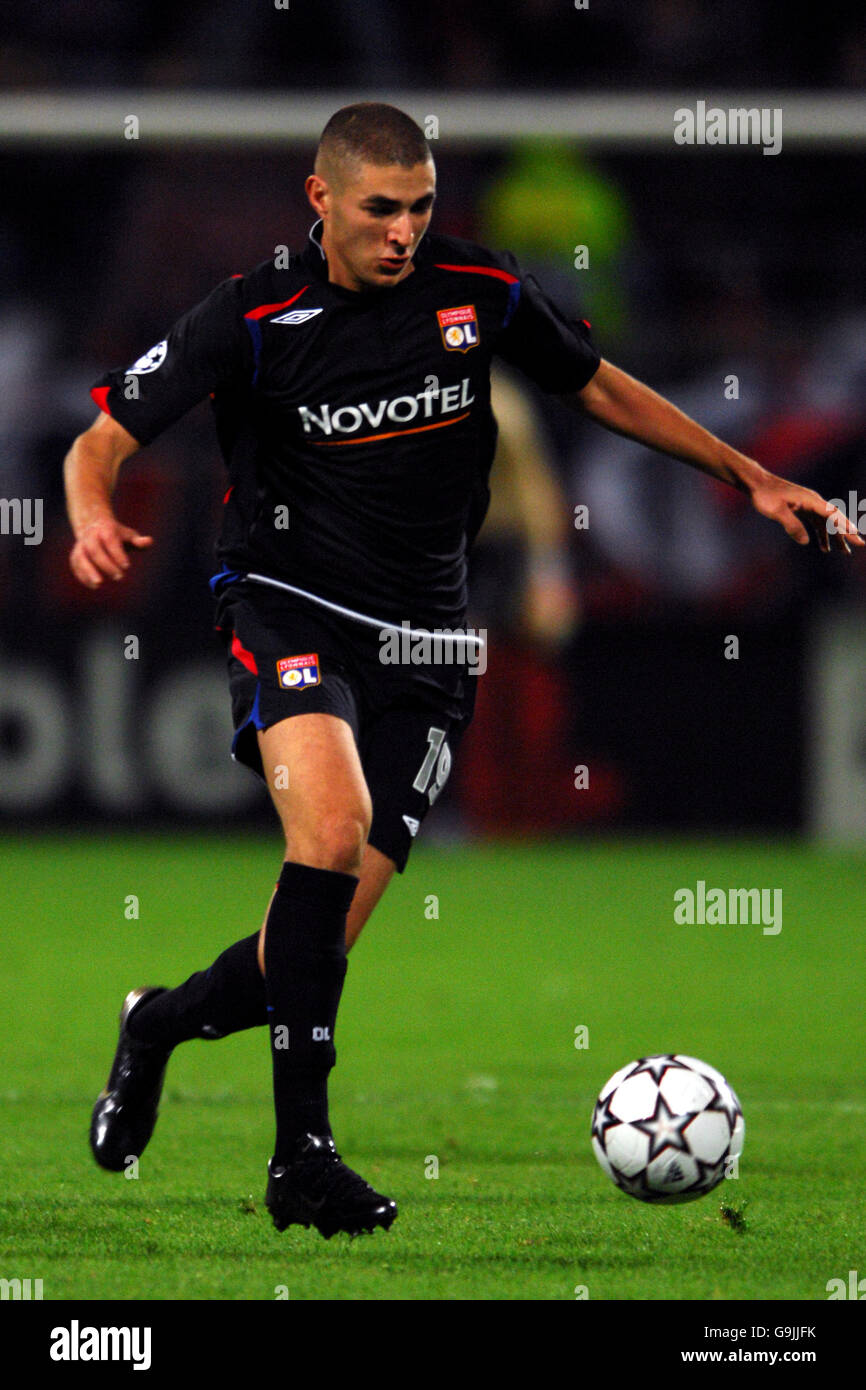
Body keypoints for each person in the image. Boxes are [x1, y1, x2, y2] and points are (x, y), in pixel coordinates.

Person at [63, 102, 862, 1241]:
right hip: (288, 607)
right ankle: (302, 1160)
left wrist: (750, 479)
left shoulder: (475, 290)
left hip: (432, 647)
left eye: (421, 206)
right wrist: (91, 510)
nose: (402, 231)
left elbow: (595, 384)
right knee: (325, 837)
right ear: (321, 199)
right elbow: (101, 437)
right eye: (380, 208)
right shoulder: (250, 314)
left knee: (307, 952)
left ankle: (154, 1025)